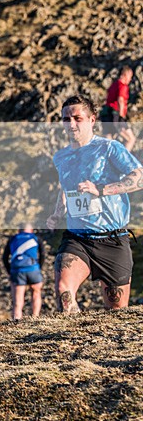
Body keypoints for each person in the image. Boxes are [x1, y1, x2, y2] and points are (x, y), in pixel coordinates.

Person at [46, 95, 143, 313]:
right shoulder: (61, 157)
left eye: (77, 118)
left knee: (116, 310)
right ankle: (71, 340)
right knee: (64, 291)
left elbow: (139, 177)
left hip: (112, 239)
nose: (71, 124)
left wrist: (101, 190)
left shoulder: (109, 148)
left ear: (92, 120)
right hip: (77, 238)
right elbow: (66, 188)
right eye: (65, 119)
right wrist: (57, 213)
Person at [2, 224, 44, 319]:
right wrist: (39, 268)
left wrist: (10, 271)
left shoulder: (13, 239)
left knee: (18, 300)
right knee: (36, 293)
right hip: (33, 270)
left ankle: (16, 321)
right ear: (31, 230)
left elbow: (5, 257)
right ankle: (35, 317)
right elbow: (43, 254)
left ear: (19, 230)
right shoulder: (35, 238)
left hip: (17, 271)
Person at [99, 66, 136, 151]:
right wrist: (121, 116)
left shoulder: (113, 85)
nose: (130, 79)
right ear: (125, 75)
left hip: (106, 114)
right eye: (130, 76)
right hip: (115, 114)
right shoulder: (123, 86)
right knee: (131, 139)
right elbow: (120, 99)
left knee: (109, 142)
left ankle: (110, 162)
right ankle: (124, 160)